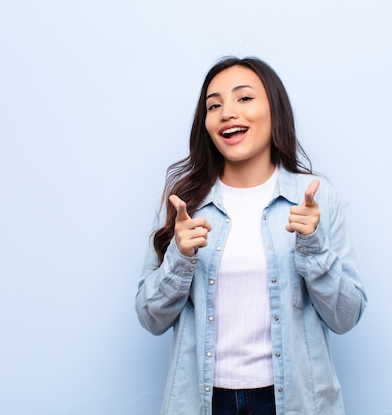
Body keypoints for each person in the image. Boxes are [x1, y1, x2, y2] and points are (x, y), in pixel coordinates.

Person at [135, 56, 367, 415]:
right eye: (214, 105)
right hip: (205, 401)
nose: (228, 112)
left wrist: (314, 248)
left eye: (244, 98)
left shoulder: (316, 198)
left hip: (293, 400)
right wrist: (179, 258)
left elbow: (346, 317)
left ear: (274, 110)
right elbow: (151, 318)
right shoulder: (185, 202)